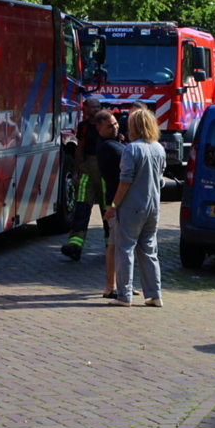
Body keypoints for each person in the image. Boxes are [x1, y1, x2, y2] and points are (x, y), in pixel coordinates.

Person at [103, 108, 165, 307]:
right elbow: (160, 180)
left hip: (132, 207)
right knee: (149, 250)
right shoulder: (159, 148)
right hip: (153, 207)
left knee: (125, 249)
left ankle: (124, 296)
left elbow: (125, 181)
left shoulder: (132, 149)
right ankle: (155, 295)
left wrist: (113, 205)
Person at [61, 97, 105, 261]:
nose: (96, 109)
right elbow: (79, 149)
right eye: (93, 107)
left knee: (107, 210)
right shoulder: (84, 127)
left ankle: (111, 246)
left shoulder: (107, 123)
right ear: (85, 109)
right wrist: (75, 172)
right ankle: (75, 245)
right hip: (87, 170)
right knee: (81, 207)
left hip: (104, 172)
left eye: (98, 106)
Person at [94, 108, 125, 298]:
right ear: (99, 129)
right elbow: (129, 155)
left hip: (118, 201)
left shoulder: (113, 143)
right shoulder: (108, 147)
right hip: (115, 202)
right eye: (109, 126)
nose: (115, 127)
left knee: (121, 245)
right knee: (113, 245)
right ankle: (110, 286)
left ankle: (122, 283)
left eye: (115, 123)